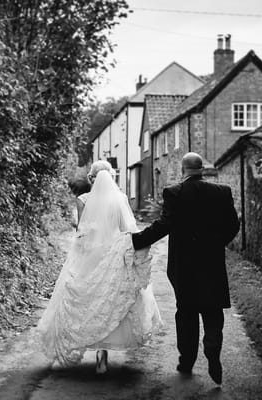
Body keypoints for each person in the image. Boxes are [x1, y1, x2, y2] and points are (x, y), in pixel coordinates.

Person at [36, 161, 162, 374]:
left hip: (90, 256)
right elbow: (128, 229)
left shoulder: (83, 200)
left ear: (91, 178)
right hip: (114, 256)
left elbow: (81, 232)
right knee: (110, 301)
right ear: (112, 176)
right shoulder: (121, 199)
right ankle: (102, 351)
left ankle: (96, 348)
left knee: (89, 300)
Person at [132, 152, 239, 385]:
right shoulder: (222, 192)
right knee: (212, 310)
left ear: (184, 170)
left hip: (185, 264)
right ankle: (212, 349)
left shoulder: (175, 193)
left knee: (187, 312)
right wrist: (217, 242)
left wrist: (136, 240)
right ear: (201, 169)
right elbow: (233, 224)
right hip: (212, 262)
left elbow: (164, 225)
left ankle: (187, 360)